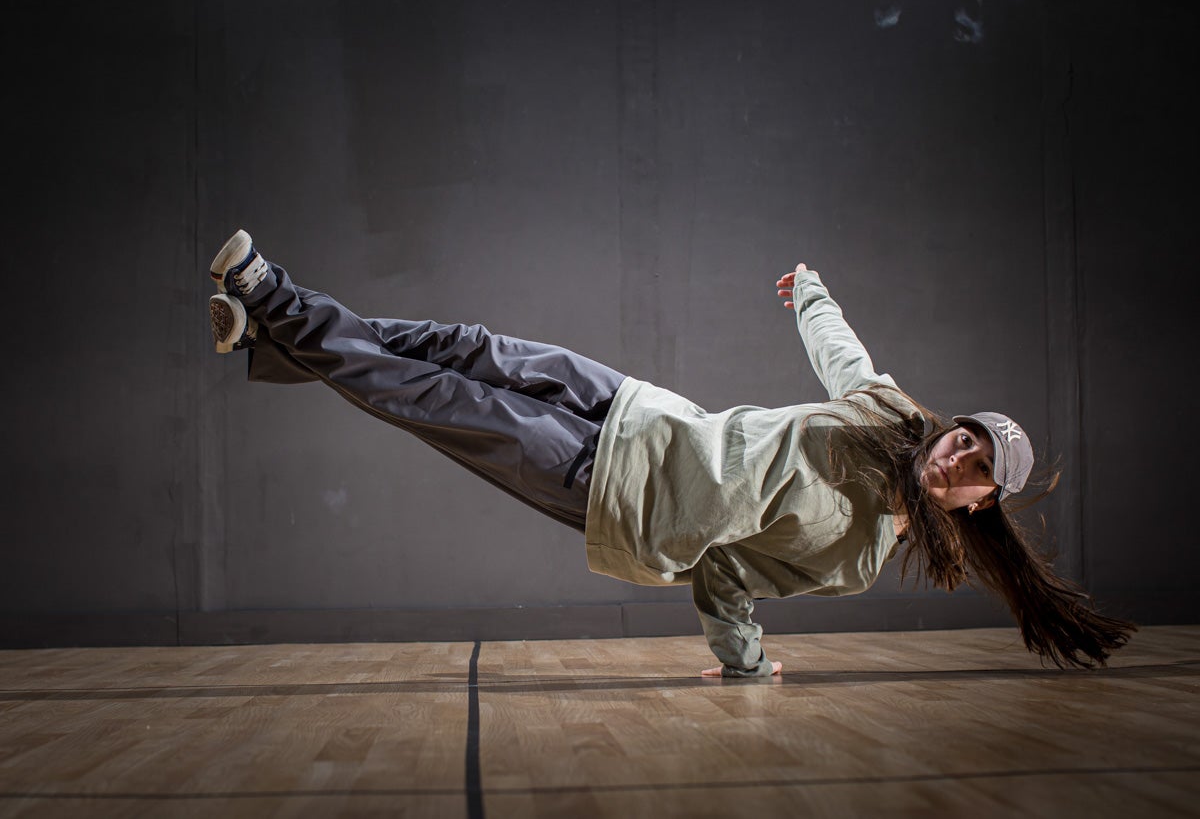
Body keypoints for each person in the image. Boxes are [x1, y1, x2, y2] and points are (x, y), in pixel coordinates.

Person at [207, 229, 1134, 677]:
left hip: (616, 492)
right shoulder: (890, 415)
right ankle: (268, 341)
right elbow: (844, 354)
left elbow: (726, 577)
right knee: (465, 346)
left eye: (973, 469)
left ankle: (274, 304)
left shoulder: (856, 556)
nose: (954, 456)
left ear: (977, 505)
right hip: (637, 406)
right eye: (964, 438)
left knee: (437, 399)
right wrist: (811, 290)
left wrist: (744, 662)